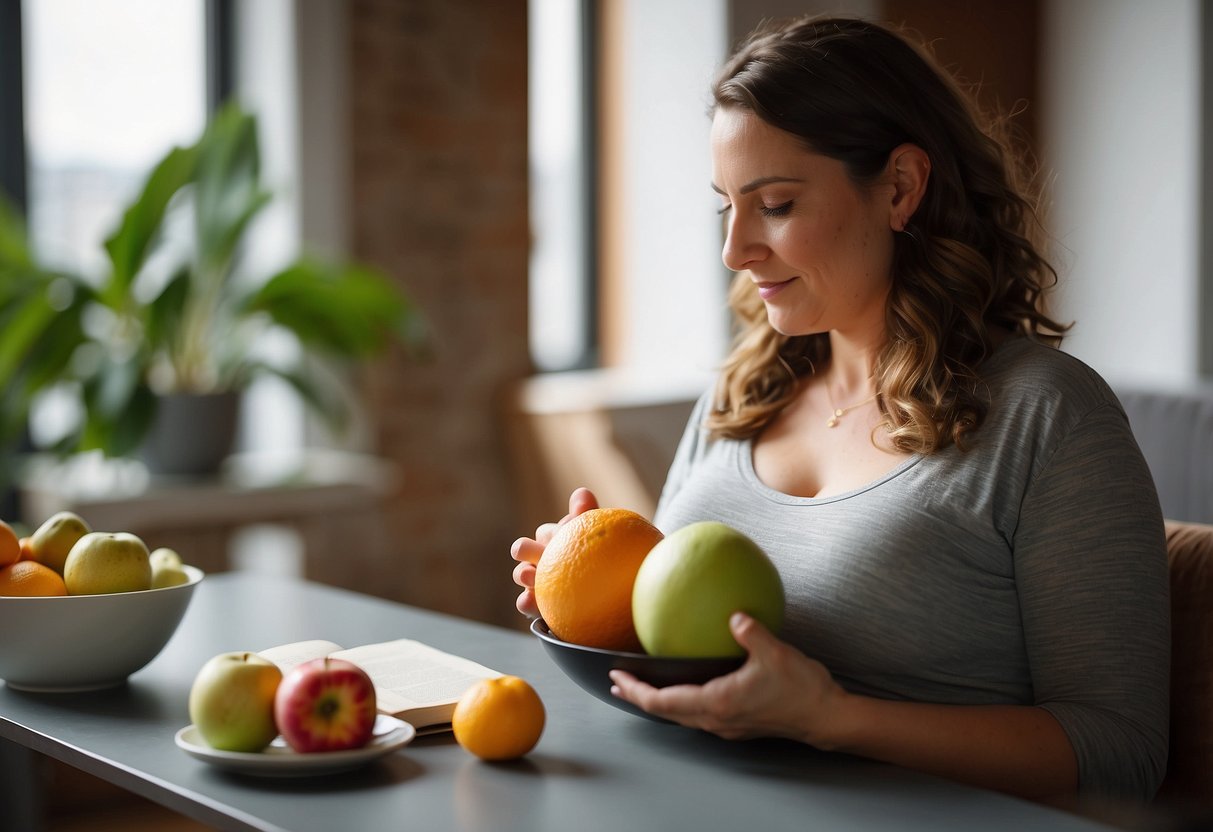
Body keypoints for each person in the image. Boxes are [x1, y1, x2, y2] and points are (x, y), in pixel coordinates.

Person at [510, 15, 1169, 804]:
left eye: (776, 204)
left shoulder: (1047, 416)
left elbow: (1121, 751)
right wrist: (592, 595)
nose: (735, 249)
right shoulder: (741, 391)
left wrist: (833, 718)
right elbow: (683, 655)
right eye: (726, 206)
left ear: (899, 187)